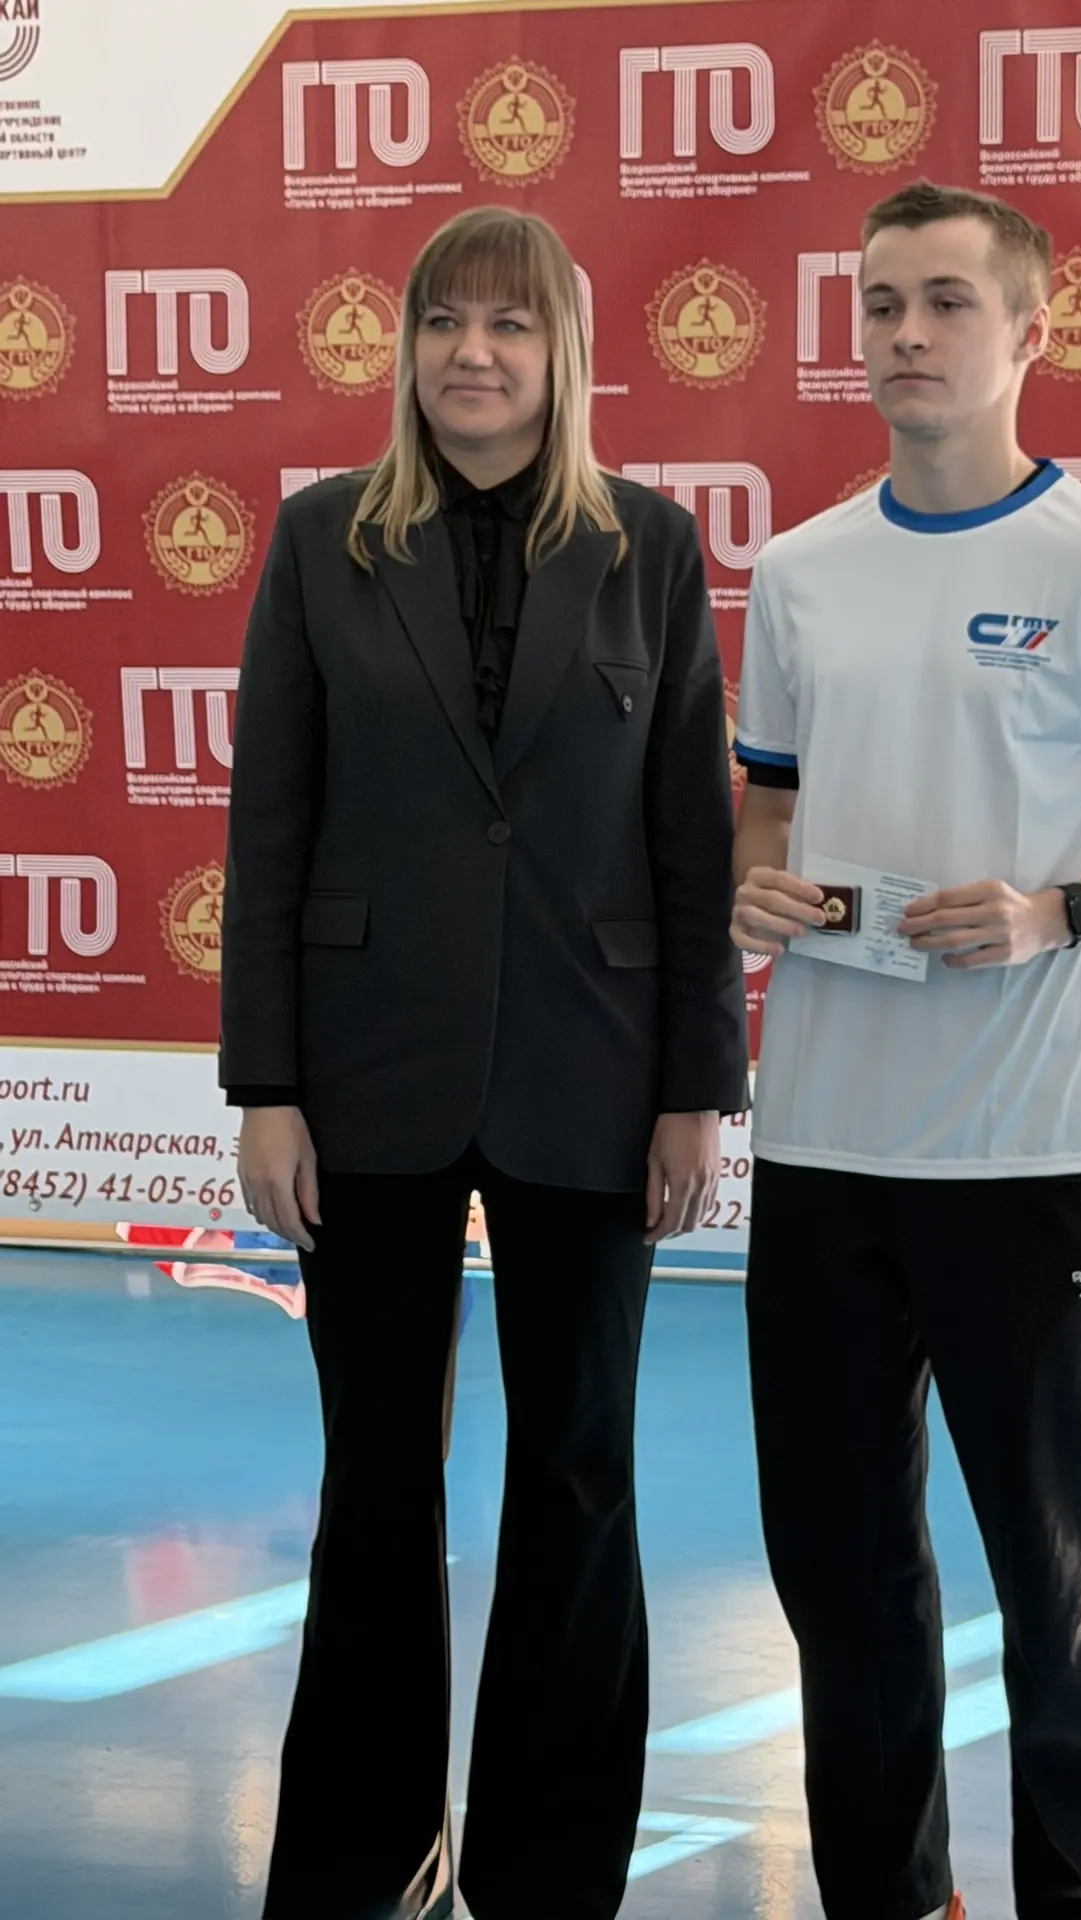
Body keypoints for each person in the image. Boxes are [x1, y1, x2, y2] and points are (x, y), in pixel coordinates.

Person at [730, 180, 1081, 1920]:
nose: (906, 333)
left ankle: (1073, 1899)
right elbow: (767, 804)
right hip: (823, 1153)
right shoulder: (800, 573)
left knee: (1052, 1585)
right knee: (841, 1580)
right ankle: (890, 1897)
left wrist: (1062, 911)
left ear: (1031, 334)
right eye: (882, 302)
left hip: (1028, 1160)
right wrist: (754, 883)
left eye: (947, 302)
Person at [221, 205, 747, 1920]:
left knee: (579, 1473)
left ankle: (547, 1870)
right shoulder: (320, 540)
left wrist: (697, 1090)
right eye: (445, 321)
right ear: (407, 349)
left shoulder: (652, 548)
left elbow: (690, 844)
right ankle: (364, 1859)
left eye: (510, 325)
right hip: (364, 1077)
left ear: (563, 352)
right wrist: (264, 1088)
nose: (473, 353)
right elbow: (270, 826)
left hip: (596, 1074)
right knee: (375, 1477)